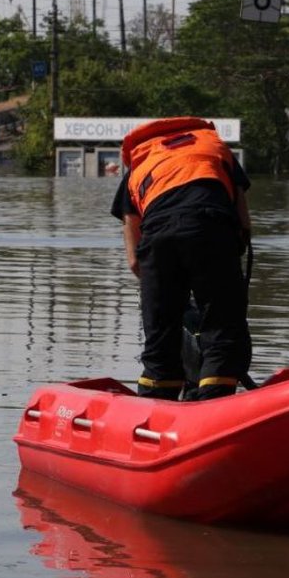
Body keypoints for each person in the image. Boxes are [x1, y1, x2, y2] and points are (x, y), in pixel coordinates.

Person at [112, 116, 253, 401]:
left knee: (161, 339)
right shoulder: (213, 149)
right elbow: (244, 223)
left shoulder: (140, 166)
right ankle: (215, 403)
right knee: (222, 330)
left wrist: (164, 288)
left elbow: (134, 260)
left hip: (158, 240)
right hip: (211, 228)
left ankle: (155, 410)